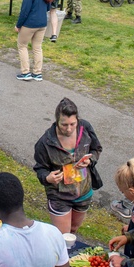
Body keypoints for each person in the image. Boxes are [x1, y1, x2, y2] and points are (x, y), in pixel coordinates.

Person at [33, 97, 103, 234]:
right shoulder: (45, 142)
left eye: (73, 124)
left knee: (74, 230)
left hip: (84, 193)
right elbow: (40, 168)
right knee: (63, 237)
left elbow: (96, 149)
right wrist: (48, 178)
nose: (69, 129)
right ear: (57, 121)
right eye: (64, 125)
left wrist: (91, 160)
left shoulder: (85, 128)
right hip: (60, 196)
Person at [15, 0, 53, 81]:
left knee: (22, 45)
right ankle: (37, 72)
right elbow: (48, 6)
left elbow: (25, 11)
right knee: (37, 47)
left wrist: (18, 25)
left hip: (30, 24)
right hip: (42, 23)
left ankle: (25, 72)